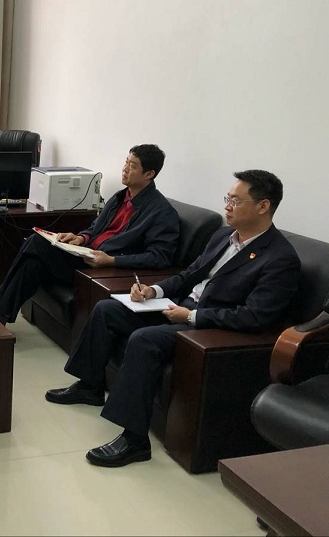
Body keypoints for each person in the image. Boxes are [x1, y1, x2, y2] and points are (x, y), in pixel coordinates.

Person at [47, 170, 301, 467]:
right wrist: (153, 290)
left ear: (263, 206)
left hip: (208, 328)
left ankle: (135, 440)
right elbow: (189, 274)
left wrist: (192, 316)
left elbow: (254, 316)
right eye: (228, 198)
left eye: (235, 201)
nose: (227, 206)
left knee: (144, 339)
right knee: (107, 310)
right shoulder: (223, 236)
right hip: (179, 307)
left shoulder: (280, 258)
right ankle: (89, 386)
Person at [0, 144, 179, 325]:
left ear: (149, 174)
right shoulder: (121, 197)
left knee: (36, 243)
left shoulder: (161, 212)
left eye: (132, 166)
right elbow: (95, 228)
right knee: (32, 263)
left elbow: (160, 257)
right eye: (126, 162)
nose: (125, 169)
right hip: (86, 253)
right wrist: (81, 237)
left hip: (103, 268)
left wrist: (111, 261)